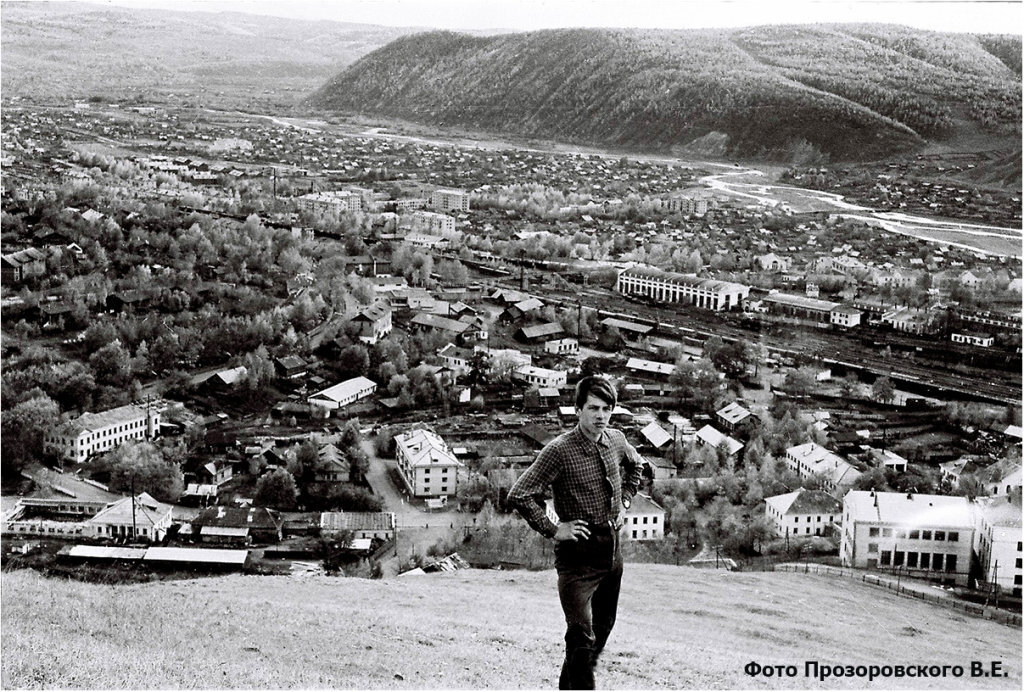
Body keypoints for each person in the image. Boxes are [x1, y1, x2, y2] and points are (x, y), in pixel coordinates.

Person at [507, 375, 644, 690]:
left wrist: (624, 500)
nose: (600, 416)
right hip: (577, 558)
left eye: (606, 409)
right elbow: (520, 494)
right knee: (581, 636)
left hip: (611, 552)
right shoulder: (559, 450)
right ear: (578, 409)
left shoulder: (617, 440)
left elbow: (637, 466)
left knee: (601, 631)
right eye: (593, 408)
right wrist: (555, 529)